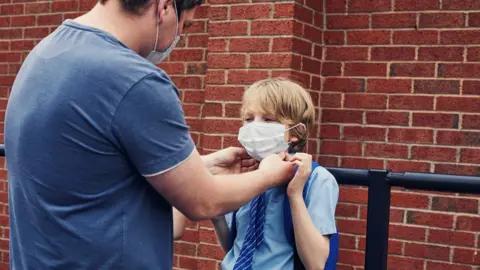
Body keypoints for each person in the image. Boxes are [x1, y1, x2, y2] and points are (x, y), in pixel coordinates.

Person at [4, 0, 297, 269]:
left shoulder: (46, 53)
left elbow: (90, 171)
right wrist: (270, 174)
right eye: (185, 26)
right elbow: (203, 202)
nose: (178, 37)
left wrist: (201, 167)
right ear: (165, 7)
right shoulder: (134, 79)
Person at [210, 78, 340, 270]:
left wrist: (295, 195)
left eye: (268, 119)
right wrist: (217, 211)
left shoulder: (317, 179)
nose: (254, 126)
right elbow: (233, 247)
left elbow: (316, 263)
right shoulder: (246, 173)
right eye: (248, 118)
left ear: (295, 132)